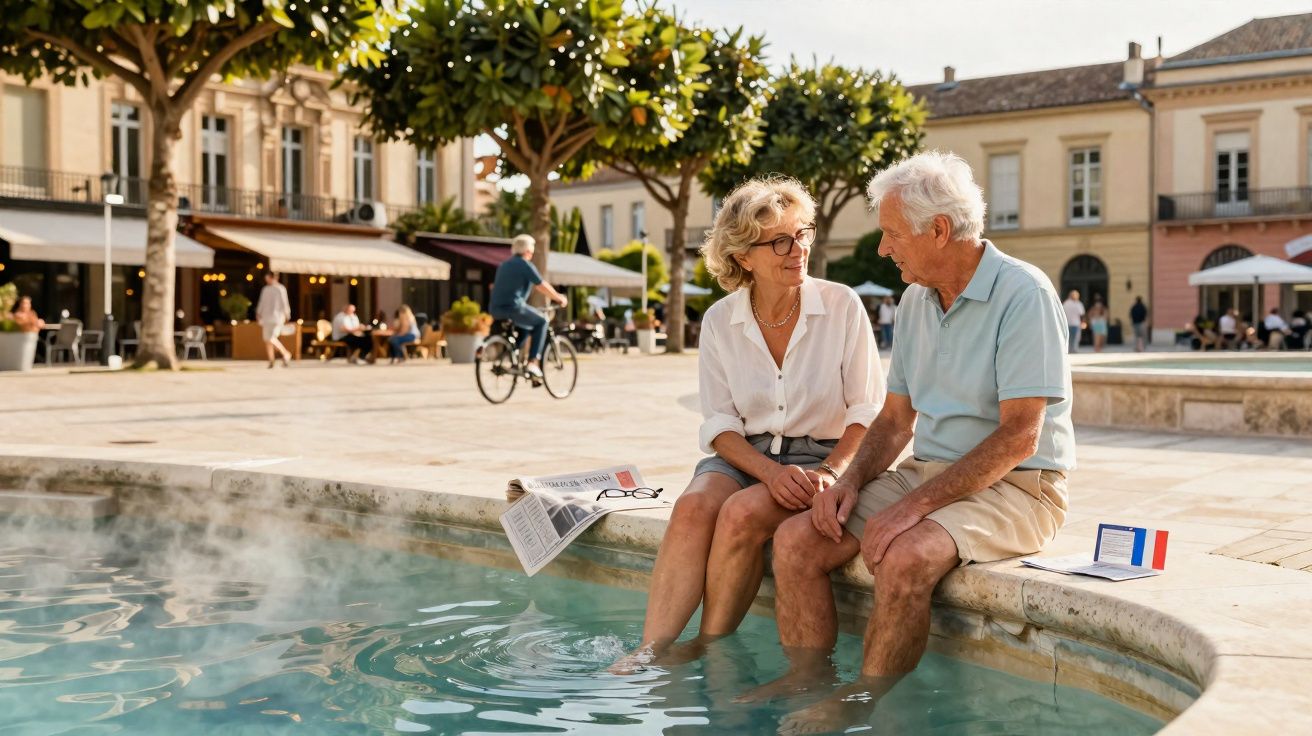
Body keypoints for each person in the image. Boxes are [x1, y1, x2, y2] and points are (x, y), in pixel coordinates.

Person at [759, 152, 1073, 734]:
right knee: (797, 539)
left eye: (891, 233)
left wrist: (909, 509)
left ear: (938, 230)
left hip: (1023, 488)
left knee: (905, 556)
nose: (883, 248)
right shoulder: (915, 298)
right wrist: (845, 482)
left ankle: (864, 705)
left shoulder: (1024, 294)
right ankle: (809, 680)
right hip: (930, 471)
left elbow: (1020, 437)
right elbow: (896, 419)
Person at [611, 176, 883, 674]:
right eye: (779, 241)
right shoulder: (719, 321)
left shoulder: (842, 306)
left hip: (821, 456)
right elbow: (719, 423)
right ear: (742, 256)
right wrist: (768, 472)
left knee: (739, 515)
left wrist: (831, 470)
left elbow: (867, 412)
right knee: (693, 506)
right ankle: (650, 651)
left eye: (803, 233)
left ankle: (707, 646)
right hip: (745, 452)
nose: (797, 249)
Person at [488, 234, 568, 380]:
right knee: (542, 321)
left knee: (526, 328)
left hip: (495, 310)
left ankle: (512, 355)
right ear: (526, 252)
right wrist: (558, 298)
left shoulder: (503, 265)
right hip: (514, 308)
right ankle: (533, 363)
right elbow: (541, 285)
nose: (531, 255)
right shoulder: (524, 265)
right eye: (531, 252)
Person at [255, 271, 292, 368]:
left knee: (271, 338)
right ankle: (271, 360)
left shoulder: (280, 289)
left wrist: (287, 315)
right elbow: (262, 302)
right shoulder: (265, 289)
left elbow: (285, 302)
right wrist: (258, 313)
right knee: (267, 339)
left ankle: (286, 354)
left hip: (277, 318)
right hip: (266, 318)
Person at [1062, 289, 1085, 353]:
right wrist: (1083, 322)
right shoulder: (1078, 304)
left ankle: (1068, 350)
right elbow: (1081, 315)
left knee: (1068, 338)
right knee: (1076, 338)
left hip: (1067, 324)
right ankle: (1074, 350)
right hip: (1076, 324)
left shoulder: (1065, 303)